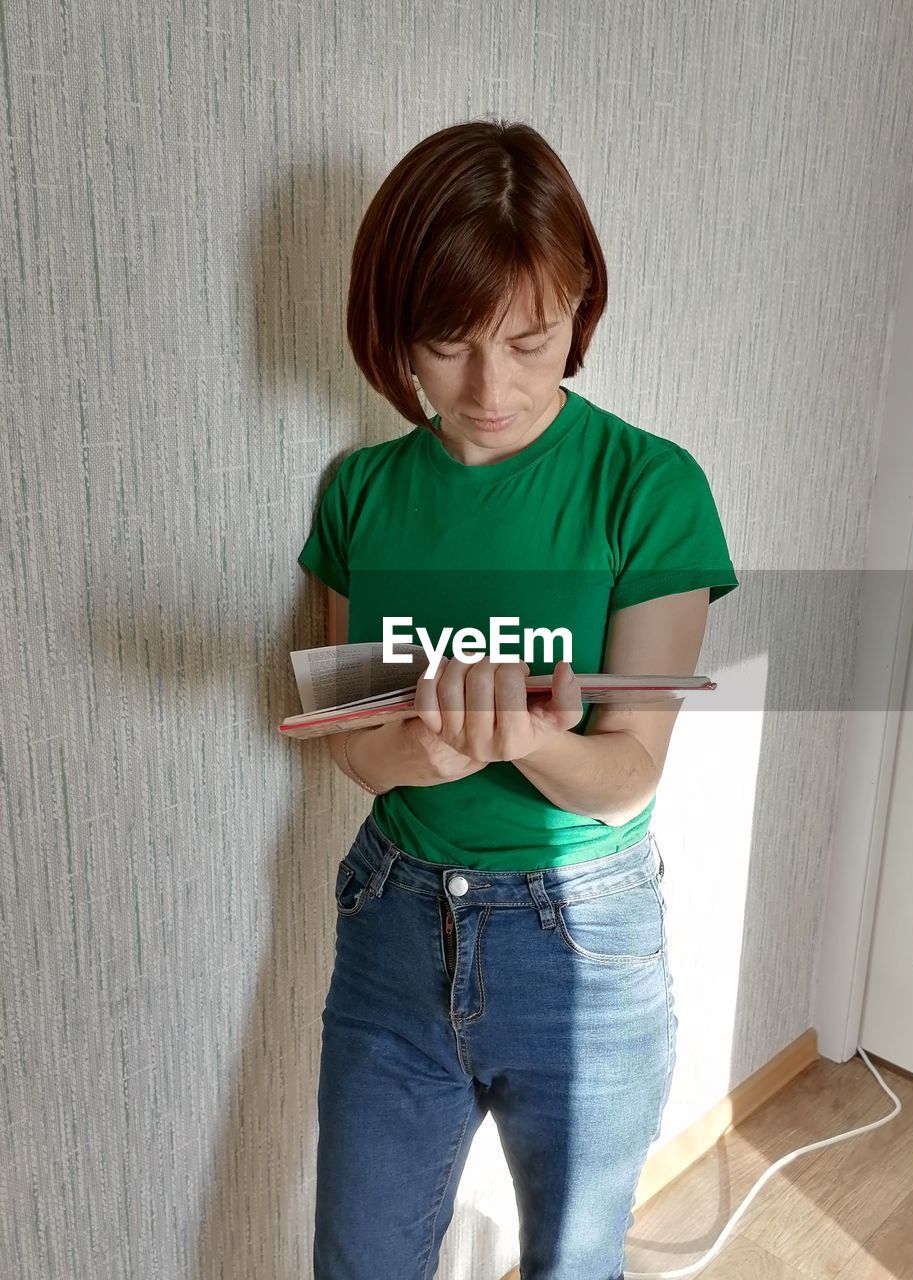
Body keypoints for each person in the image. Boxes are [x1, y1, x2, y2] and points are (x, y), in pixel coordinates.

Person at [299, 119, 739, 1280]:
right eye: (447, 345)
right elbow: (348, 738)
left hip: (579, 935)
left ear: (579, 305)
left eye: (531, 340)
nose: (490, 388)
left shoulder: (649, 489)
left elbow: (631, 766)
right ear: (393, 328)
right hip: (394, 921)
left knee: (572, 1265)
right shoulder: (360, 494)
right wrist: (431, 752)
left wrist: (538, 740)